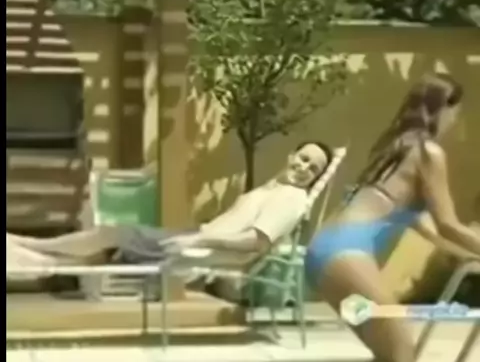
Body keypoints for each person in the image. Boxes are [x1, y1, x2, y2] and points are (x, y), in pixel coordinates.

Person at [305, 73, 480, 362]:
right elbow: (448, 225)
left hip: (325, 252)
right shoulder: (429, 153)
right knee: (400, 352)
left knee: (390, 351)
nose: (455, 119)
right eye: (455, 111)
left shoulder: (396, 148)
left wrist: (468, 253)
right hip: (345, 254)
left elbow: (430, 230)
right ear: (442, 109)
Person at [8, 141, 331, 280]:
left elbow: (256, 242)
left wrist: (199, 241)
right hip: (196, 237)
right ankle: (35, 257)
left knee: (113, 235)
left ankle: (30, 247)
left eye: (313, 168)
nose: (304, 168)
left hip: (200, 248)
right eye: (303, 159)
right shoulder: (272, 188)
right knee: (109, 244)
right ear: (291, 155)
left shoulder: (291, 198)